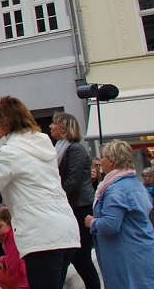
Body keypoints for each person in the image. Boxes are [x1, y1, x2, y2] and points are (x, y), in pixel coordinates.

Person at [0, 95, 79, 288]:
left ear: (5, 124)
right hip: (64, 229)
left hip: (40, 234)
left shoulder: (12, 151)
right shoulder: (43, 144)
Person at [85, 140, 154, 287]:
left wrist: (92, 222)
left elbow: (110, 225)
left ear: (112, 160)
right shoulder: (135, 183)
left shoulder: (116, 189)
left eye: (102, 157)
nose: (100, 161)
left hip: (128, 258)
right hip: (143, 253)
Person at [49, 112, 101, 289]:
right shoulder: (60, 147)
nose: (50, 126)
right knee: (76, 255)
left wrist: (55, 198)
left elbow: (73, 181)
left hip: (80, 206)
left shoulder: (75, 149)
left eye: (54, 123)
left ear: (63, 127)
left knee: (80, 255)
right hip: (73, 205)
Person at [0, 206, 29, 289]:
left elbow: (21, 261)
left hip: (24, 280)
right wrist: (2, 260)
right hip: (18, 277)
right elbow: (11, 257)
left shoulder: (14, 238)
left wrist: (23, 284)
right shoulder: (6, 239)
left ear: (9, 223)